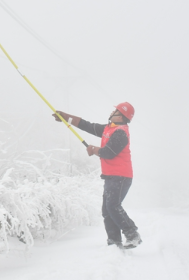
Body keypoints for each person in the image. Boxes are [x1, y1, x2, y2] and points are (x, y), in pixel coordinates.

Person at [53, 102, 141, 249]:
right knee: (107, 210)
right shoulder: (109, 128)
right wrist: (66, 117)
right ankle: (114, 242)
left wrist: (93, 149)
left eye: (116, 111)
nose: (112, 113)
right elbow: (87, 125)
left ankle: (132, 234)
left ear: (122, 117)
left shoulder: (121, 132)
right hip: (110, 176)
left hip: (121, 176)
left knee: (113, 206)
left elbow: (109, 153)